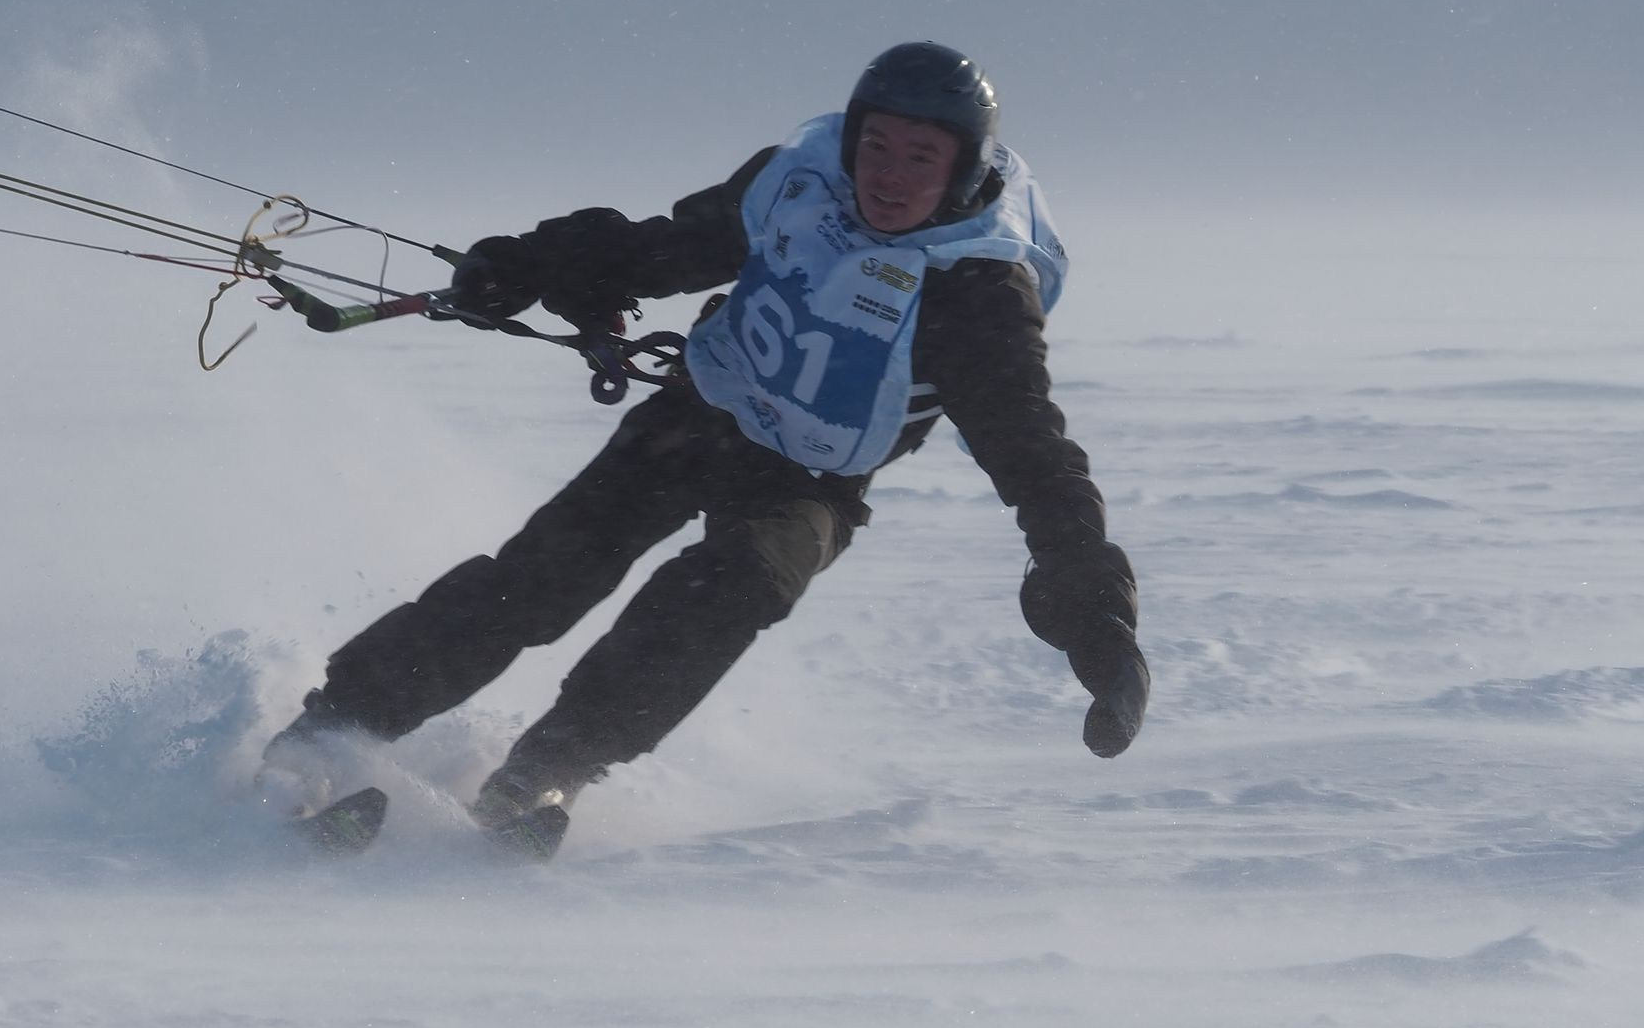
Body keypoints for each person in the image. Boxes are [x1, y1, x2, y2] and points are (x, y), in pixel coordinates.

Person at [257, 42, 1148, 852]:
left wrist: (1095, 612)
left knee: (727, 591)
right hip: (698, 414)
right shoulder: (798, 186)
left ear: (962, 170)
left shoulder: (980, 292)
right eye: (877, 145)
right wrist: (528, 268)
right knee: (542, 580)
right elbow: (670, 248)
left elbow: (1035, 456)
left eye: (923, 156)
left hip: (811, 482)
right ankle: (328, 736)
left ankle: (539, 779)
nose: (889, 173)